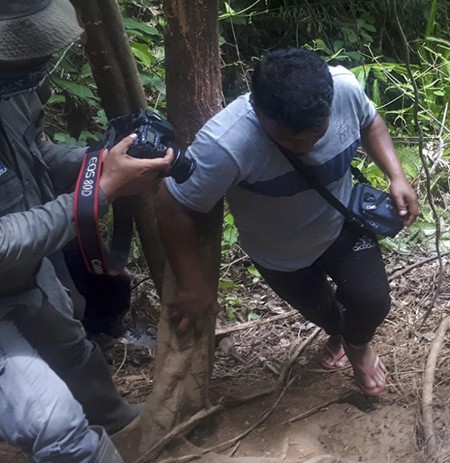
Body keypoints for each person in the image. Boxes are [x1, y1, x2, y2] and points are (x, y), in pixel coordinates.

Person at [156, 48, 420, 396]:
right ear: (258, 111)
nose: (307, 147)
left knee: (373, 301)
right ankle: (338, 334)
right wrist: (191, 284)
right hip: (280, 255)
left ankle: (357, 346)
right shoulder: (226, 144)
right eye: (293, 140)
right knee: (327, 316)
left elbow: (369, 121)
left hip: (339, 224)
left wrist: (396, 175)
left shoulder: (343, 89)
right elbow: (172, 203)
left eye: (317, 134)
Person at [0, 0, 174, 461]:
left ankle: (115, 418)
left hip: (28, 273)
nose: (34, 59)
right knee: (55, 427)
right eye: (19, 50)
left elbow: (34, 149)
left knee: (72, 349)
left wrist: (99, 165)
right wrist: (102, 192)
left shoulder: (13, 85)